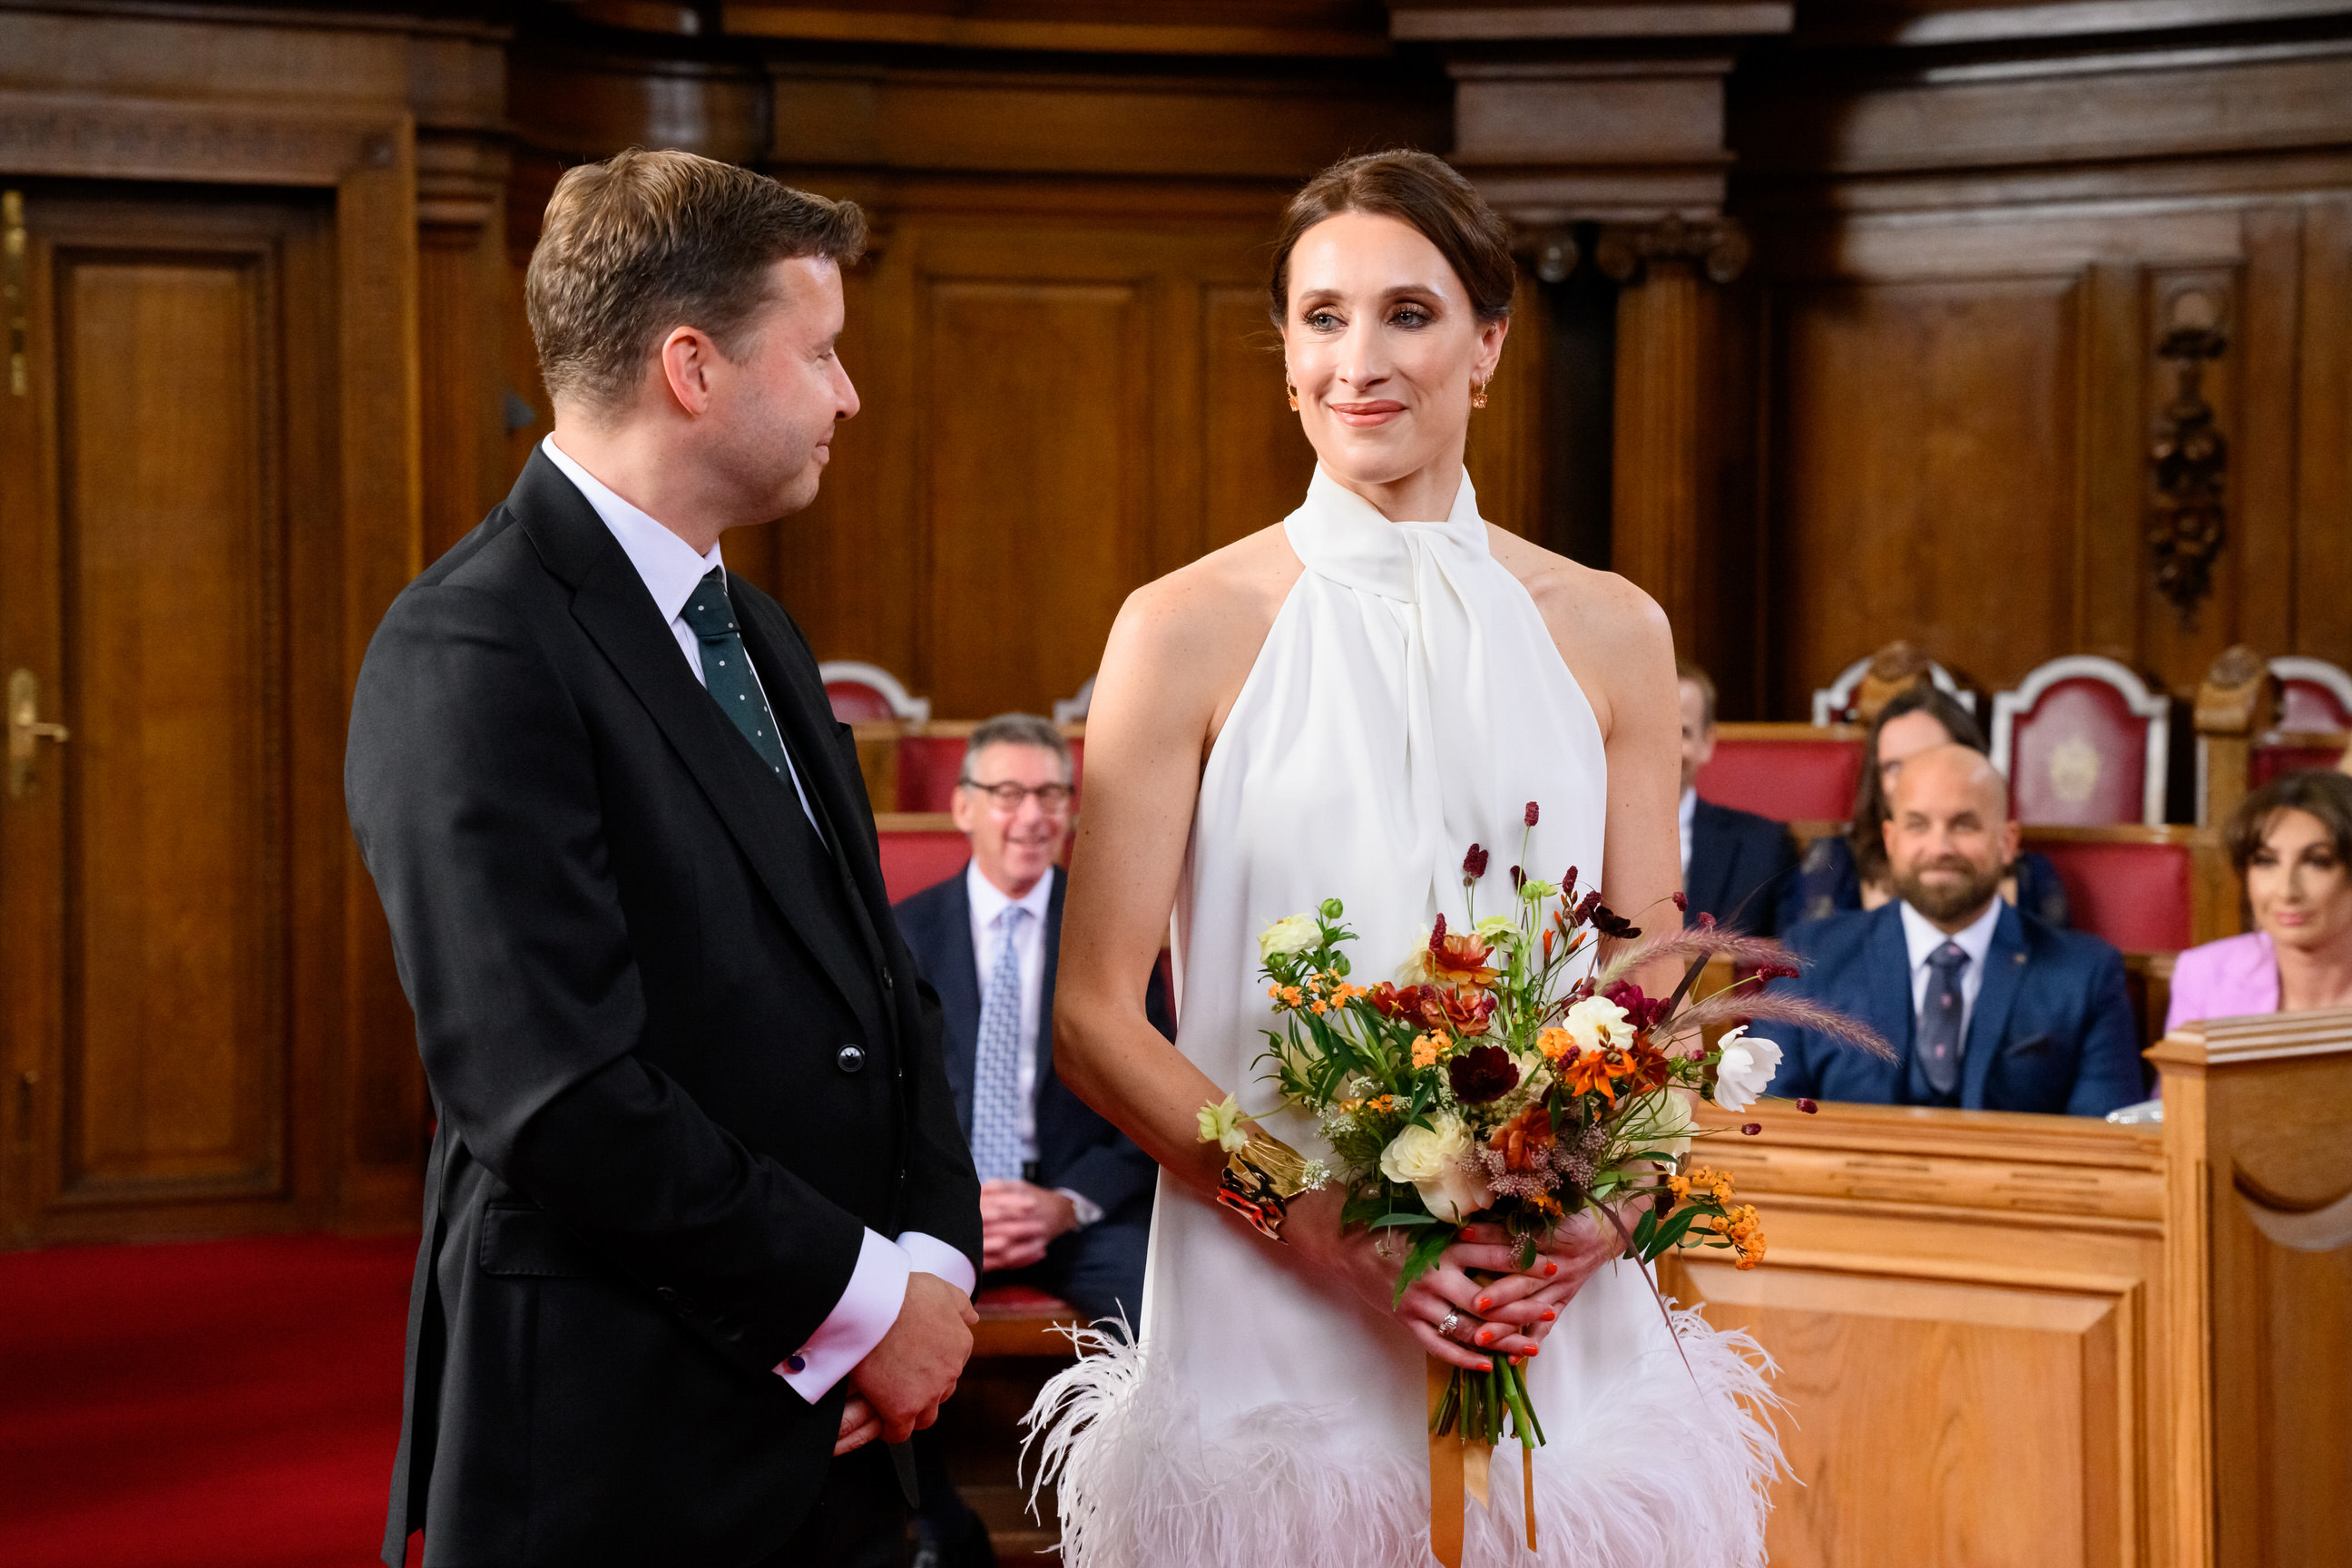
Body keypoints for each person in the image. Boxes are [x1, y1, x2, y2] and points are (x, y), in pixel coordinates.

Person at [1027, 150, 1779, 1566]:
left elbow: (1648, 969)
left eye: (1408, 315)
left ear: (1488, 345)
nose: (1357, 361)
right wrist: (1319, 1226)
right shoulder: (1179, 626)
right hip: (1276, 1299)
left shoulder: (1613, 624)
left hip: (1546, 1299)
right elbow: (1090, 1020)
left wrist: (1607, 1212)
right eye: (1320, 318)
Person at [346, 150, 981, 1568]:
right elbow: (556, 1095)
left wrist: (931, 1264)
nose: (847, 395)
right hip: (621, 1433)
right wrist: (864, 1301)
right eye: (818, 353)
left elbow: (881, 984)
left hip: (842, 1427)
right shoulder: (471, 647)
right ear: (693, 369)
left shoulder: (756, 626)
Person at [890, 712, 1171, 1568]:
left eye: (1053, 794)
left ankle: (1124, 1529)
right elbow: (877, 1104)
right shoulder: (899, 933)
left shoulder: (1112, 939)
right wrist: (952, 1200)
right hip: (943, 1206)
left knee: (1159, 1315)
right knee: (865, 1311)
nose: (1032, 815)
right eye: (1008, 793)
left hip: (1076, 1209)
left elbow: (1147, 1107)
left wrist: (1062, 1204)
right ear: (963, 807)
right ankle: (940, 1526)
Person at [1770, 745, 2142, 1115]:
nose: (1940, 847)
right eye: (1918, 825)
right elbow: (1770, 1122)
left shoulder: (2086, 974)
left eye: (1964, 824)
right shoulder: (1809, 959)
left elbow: (2105, 1144)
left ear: (2007, 842)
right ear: (1891, 840)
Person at [1779, 682, 2072, 932]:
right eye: (1893, 766)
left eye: (1929, 756)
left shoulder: (2031, 877)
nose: (1912, 776)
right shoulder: (1834, 865)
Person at [2166, 769, 2352, 1029]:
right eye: (2266, 861)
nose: (2287, 892)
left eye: (2317, 862)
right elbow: (2182, 1071)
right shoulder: (2203, 975)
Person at [1678, 659, 1798, 934]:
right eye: (1648, 731)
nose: (1663, 747)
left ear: (1706, 742)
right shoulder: (1589, 838)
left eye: (1681, 732)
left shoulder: (1763, 848)